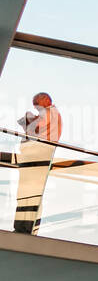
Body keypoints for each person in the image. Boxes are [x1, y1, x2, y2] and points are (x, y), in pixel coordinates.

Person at [14, 92, 62, 234]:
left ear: (45, 101)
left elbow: (36, 127)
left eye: (37, 104)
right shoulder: (51, 114)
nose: (36, 108)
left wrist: (29, 120)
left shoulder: (49, 112)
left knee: (28, 192)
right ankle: (27, 226)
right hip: (39, 154)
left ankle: (24, 227)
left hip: (36, 154)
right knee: (31, 192)